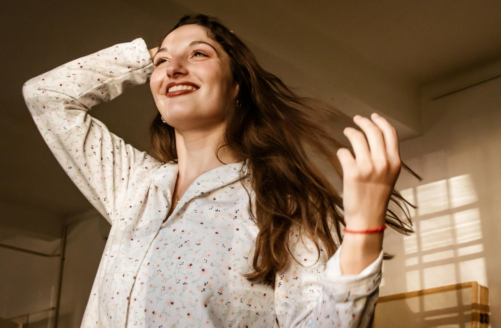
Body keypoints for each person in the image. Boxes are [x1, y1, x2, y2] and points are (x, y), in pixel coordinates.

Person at [23, 14, 416, 328]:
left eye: (199, 55)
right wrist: (151, 58)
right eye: (163, 62)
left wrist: (364, 231)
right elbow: (46, 97)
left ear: (236, 87)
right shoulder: (134, 185)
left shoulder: (281, 207)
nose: (173, 68)